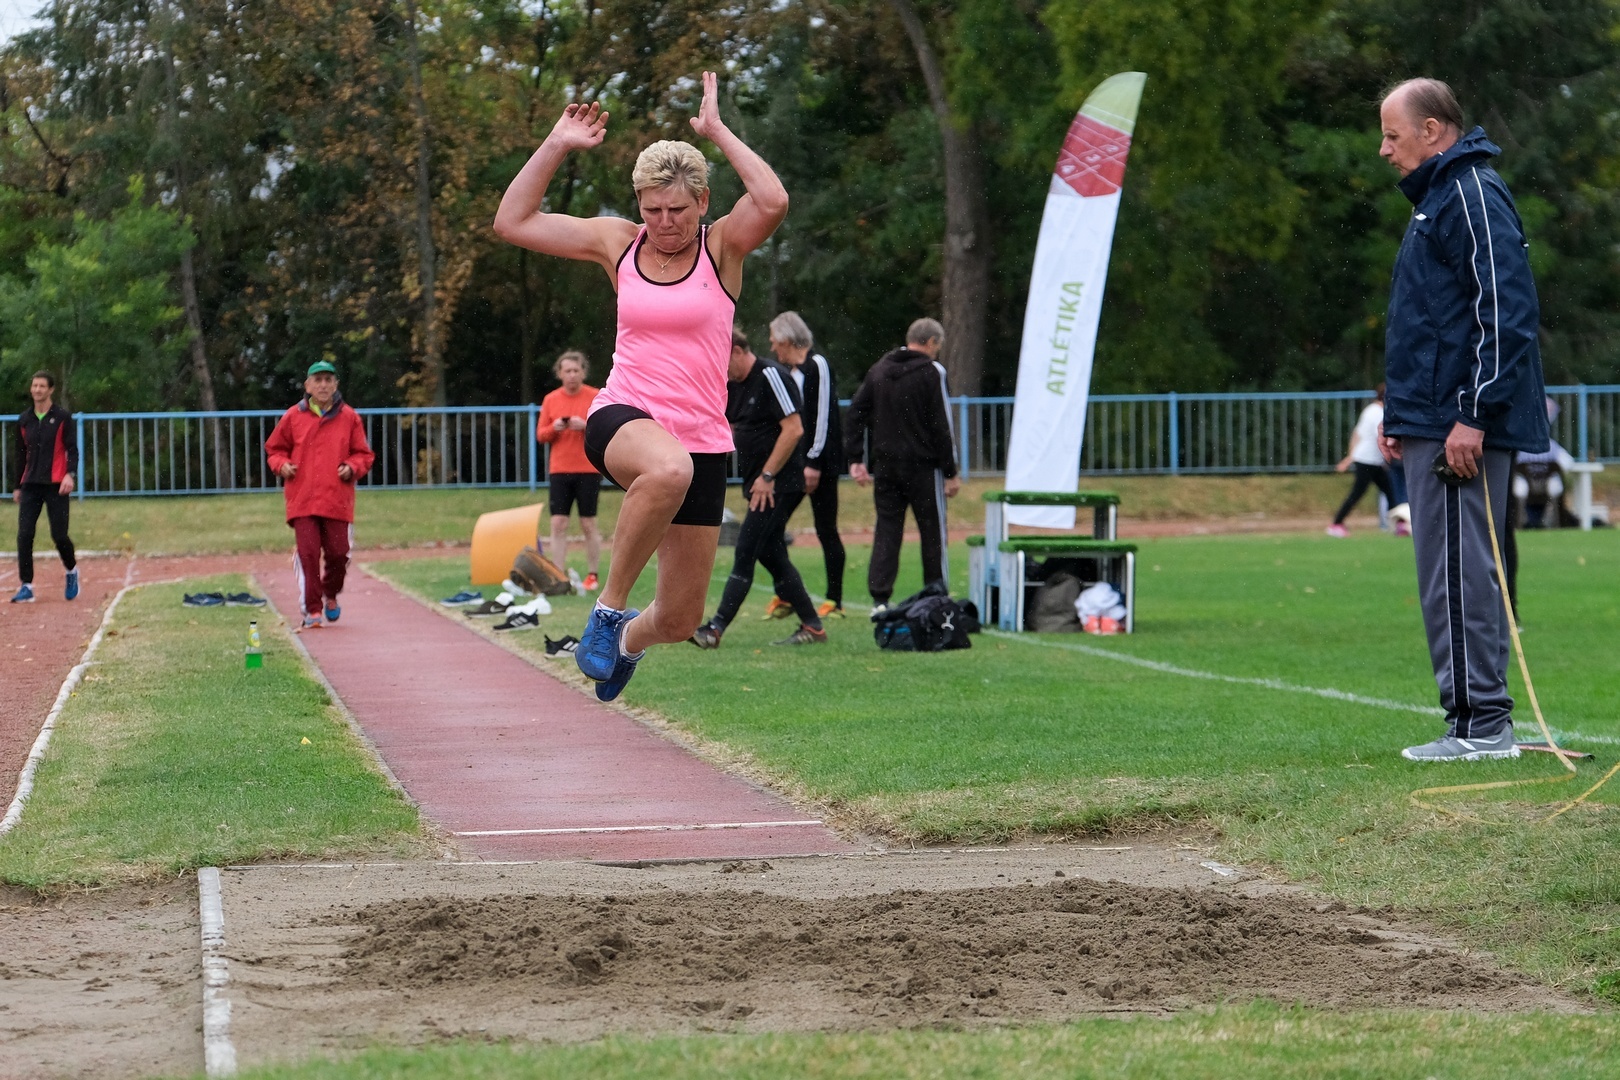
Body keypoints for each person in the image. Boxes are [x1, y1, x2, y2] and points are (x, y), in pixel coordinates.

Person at [493, 71, 789, 701]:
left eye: (677, 210)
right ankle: (607, 611)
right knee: (667, 468)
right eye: (652, 210)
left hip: (701, 438)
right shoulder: (619, 243)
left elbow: (772, 201)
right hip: (624, 415)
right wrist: (557, 143)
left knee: (679, 619)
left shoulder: (723, 248)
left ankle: (626, 640)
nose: (664, 223)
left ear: (703, 202)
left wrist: (717, 131)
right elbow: (513, 221)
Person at [1374, 78, 1549, 762]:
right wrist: (1401, 414)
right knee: (1453, 570)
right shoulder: (1442, 197)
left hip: (1459, 426)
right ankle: (1479, 720)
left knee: (1458, 571)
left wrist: (1471, 414)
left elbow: (1505, 311)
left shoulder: (1471, 192)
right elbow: (1429, 322)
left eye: (1392, 135)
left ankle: (1480, 726)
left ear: (1432, 130)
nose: (1384, 149)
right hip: (1434, 417)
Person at [689, 330, 826, 648]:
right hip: (759, 484)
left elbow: (794, 429)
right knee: (771, 553)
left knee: (746, 549)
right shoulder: (734, 385)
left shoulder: (770, 375)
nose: (721, 371)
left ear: (736, 351)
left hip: (779, 484)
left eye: (722, 363)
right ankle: (813, 625)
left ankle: (715, 628)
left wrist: (767, 475)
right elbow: (730, 427)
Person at [843, 317, 960, 616]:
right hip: (923, 468)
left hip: (886, 467)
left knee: (887, 530)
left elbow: (855, 412)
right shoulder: (932, 372)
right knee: (932, 531)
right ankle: (937, 592)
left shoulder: (880, 370)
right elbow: (941, 425)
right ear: (931, 343)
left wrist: (856, 458)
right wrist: (950, 470)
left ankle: (879, 598)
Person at [264, 360, 376, 629]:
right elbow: (274, 450)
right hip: (302, 499)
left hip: (337, 499)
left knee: (339, 554)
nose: (323, 385)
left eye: (328, 380)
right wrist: (282, 465)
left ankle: (330, 593)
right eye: (318, 380)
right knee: (309, 554)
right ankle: (312, 609)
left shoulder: (349, 417)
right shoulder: (293, 416)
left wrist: (352, 467)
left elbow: (364, 454)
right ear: (308, 385)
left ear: (336, 385)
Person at [763, 310, 847, 619]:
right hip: (794, 466)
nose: (773, 347)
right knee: (771, 528)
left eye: (775, 341)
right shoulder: (786, 371)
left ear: (787, 339)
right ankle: (786, 593)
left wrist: (813, 461)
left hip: (818, 465)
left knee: (826, 529)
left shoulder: (817, 364)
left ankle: (834, 600)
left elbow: (823, 416)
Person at [536, 350, 603, 590]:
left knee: (588, 523)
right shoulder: (551, 399)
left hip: (588, 468)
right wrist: (554, 428)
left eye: (576, 370)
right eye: (567, 371)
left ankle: (593, 574)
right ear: (560, 374)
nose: (572, 375)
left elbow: (603, 430)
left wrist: (585, 426)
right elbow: (541, 435)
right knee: (558, 523)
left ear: (583, 372)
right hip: (560, 469)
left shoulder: (595, 396)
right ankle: (558, 575)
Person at [9, 371, 78, 603]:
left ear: (50, 390)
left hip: (56, 484)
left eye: (41, 386)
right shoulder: (24, 419)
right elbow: (20, 454)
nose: (37, 390)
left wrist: (70, 474)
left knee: (59, 535)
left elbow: (72, 449)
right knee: (24, 534)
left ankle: (71, 570)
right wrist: (17, 486)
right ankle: (26, 586)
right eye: (34, 386)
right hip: (30, 485)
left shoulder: (62, 417)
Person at [1327, 384, 1405, 537]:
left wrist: (1350, 457)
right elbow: (1382, 437)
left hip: (1369, 460)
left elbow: (1357, 434)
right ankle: (1336, 523)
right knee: (1358, 493)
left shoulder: (1369, 410)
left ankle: (1398, 525)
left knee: (1388, 491)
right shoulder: (1378, 413)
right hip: (1367, 460)